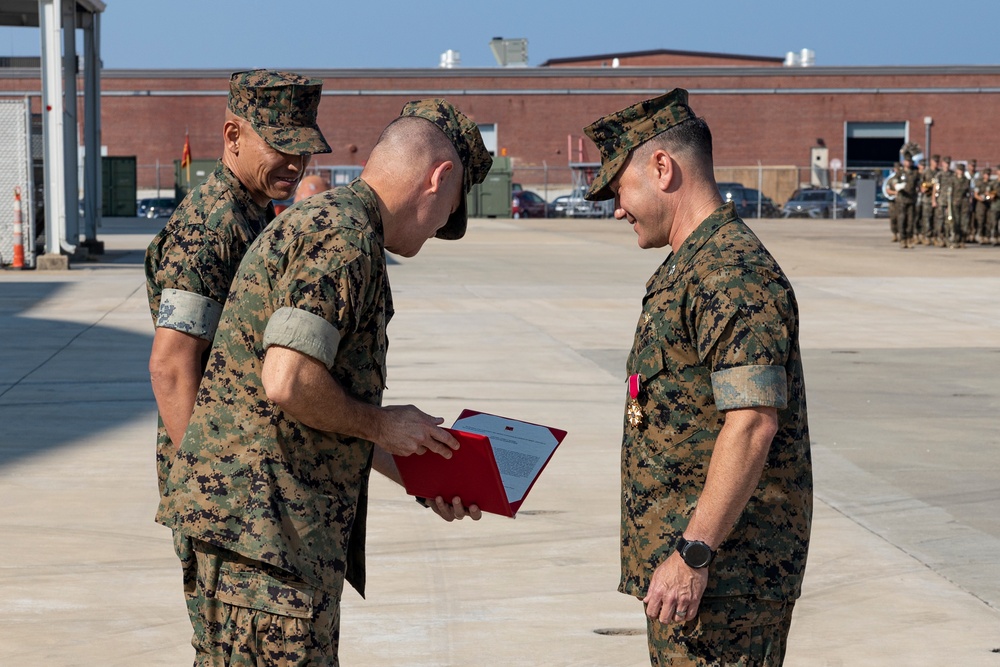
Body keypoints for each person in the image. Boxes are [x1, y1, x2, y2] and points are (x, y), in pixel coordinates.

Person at [156, 98, 492, 665]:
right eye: (450, 211)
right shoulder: (342, 239)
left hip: (270, 543)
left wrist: (419, 467)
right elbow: (288, 380)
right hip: (267, 548)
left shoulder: (332, 225)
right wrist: (386, 425)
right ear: (440, 179)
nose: (440, 230)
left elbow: (318, 408)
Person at [583, 89, 812, 666]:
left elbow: (753, 422)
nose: (616, 207)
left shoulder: (731, 273)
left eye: (619, 188)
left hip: (726, 582)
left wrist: (693, 553)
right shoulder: (690, 268)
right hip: (691, 582)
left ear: (662, 168)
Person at [145, 69, 331, 496]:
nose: (295, 164)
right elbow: (170, 365)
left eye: (304, 151)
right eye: (281, 146)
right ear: (233, 137)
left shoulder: (252, 212)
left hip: (252, 468)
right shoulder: (211, 226)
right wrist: (207, 488)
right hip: (224, 487)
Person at [891, 152, 919, 249]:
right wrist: (897, 186)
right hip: (902, 200)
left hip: (911, 200)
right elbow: (894, 181)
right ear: (904, 162)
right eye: (907, 161)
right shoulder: (900, 172)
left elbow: (919, 183)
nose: (908, 163)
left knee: (911, 221)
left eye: (910, 161)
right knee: (902, 220)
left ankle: (909, 239)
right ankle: (902, 239)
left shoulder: (915, 172)